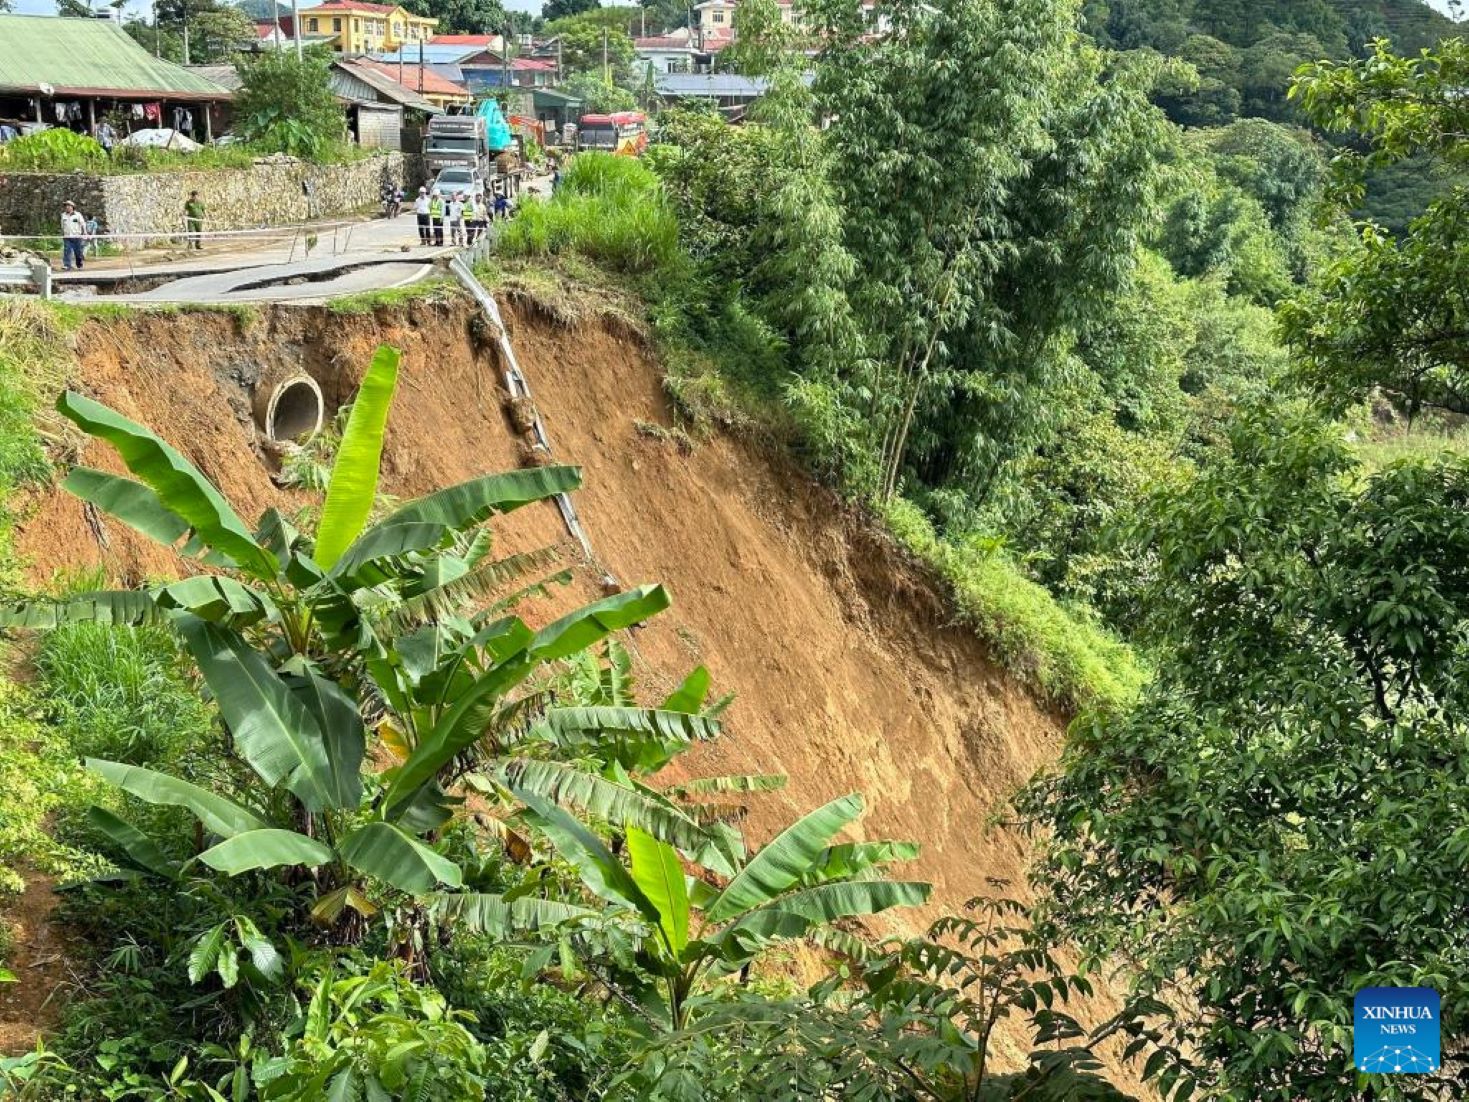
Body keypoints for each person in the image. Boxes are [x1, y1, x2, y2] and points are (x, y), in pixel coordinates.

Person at [59, 200, 87, 271]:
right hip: (67, 236)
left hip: (77, 236)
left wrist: (85, 232)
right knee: (67, 251)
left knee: (78, 252)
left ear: (72, 207)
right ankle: (67, 265)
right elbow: (62, 226)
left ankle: (79, 265)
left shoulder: (78, 215)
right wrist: (63, 234)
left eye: (68, 206)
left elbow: (83, 224)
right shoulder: (63, 215)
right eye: (66, 206)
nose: (67, 207)